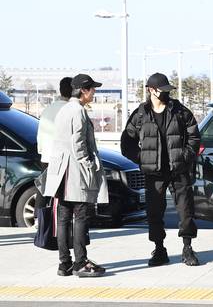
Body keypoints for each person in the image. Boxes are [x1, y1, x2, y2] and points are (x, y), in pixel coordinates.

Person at [121, 73, 201, 267]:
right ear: (151, 90)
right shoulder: (140, 114)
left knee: (186, 211)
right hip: (154, 174)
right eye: (162, 90)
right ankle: (159, 249)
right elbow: (126, 142)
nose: (166, 94)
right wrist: (142, 158)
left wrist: (184, 156)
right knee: (154, 213)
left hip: (178, 171)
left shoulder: (180, 111)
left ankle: (187, 249)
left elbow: (194, 137)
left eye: (168, 90)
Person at [43, 74, 108, 277]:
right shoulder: (78, 111)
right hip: (75, 173)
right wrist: (87, 164)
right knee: (80, 217)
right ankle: (80, 262)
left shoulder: (64, 109)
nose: (94, 92)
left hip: (61, 171)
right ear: (83, 91)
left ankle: (65, 264)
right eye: (92, 89)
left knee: (63, 218)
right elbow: (78, 143)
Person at [35, 77, 73, 227]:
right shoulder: (71, 109)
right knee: (64, 190)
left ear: (60, 91)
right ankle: (63, 221)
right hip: (63, 155)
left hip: (46, 153)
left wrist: (42, 151)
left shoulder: (48, 109)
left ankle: (38, 219)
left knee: (44, 187)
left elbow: (40, 132)